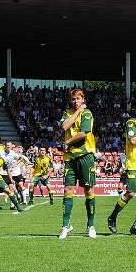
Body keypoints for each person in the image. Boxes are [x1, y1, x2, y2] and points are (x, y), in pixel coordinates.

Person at [108, 100, 136, 235]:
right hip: (133, 164)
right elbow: (133, 141)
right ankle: (112, 216)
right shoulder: (131, 123)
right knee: (131, 193)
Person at [59, 88, 97, 239]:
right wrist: (77, 112)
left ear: (83, 99)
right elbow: (64, 126)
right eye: (73, 99)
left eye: (78, 99)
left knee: (89, 191)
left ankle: (91, 225)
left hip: (85, 155)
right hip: (69, 158)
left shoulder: (88, 113)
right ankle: (65, 225)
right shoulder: (67, 113)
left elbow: (83, 133)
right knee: (68, 189)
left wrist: (67, 141)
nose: (75, 101)